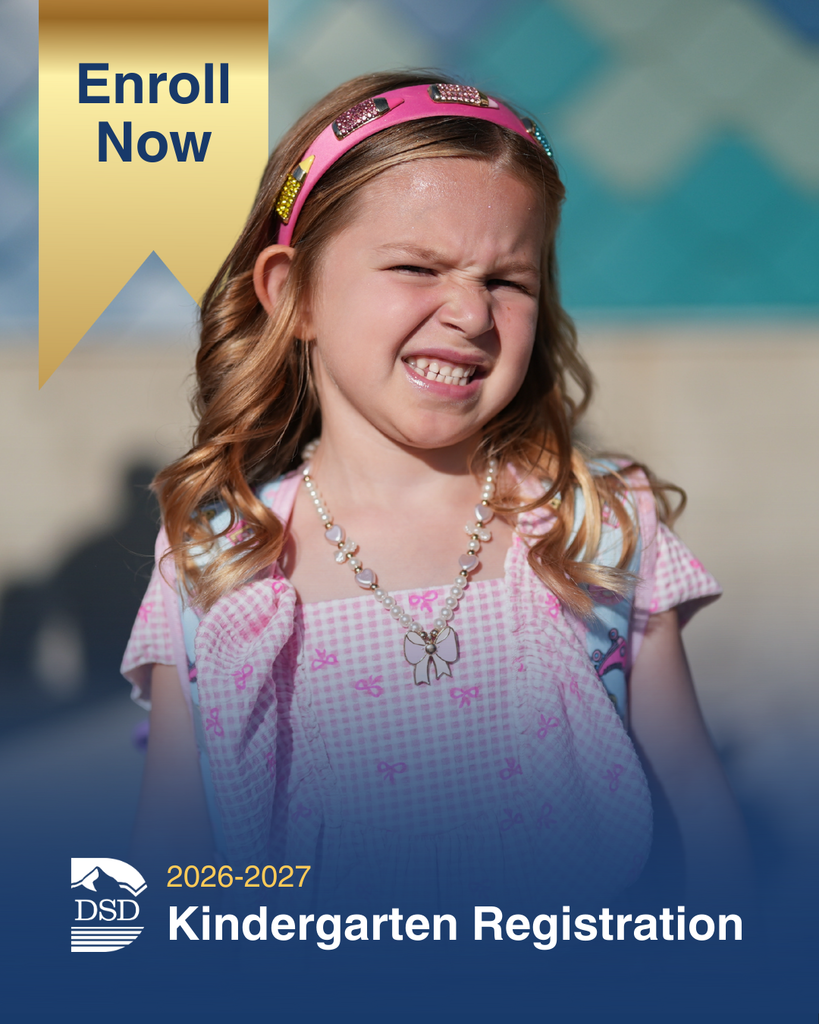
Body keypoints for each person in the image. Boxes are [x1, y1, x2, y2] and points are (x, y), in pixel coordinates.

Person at [122, 71, 749, 905]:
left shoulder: (594, 527)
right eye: (418, 266)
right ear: (292, 294)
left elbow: (702, 825)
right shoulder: (216, 555)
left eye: (506, 281)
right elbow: (172, 859)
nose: (469, 313)